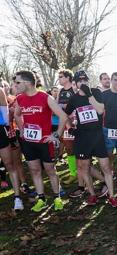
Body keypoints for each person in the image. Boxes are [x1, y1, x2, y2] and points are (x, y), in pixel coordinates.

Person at [13, 70, 69, 212]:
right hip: (29, 142)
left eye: (18, 82)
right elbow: (17, 115)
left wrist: (56, 135)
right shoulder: (20, 98)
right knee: (34, 169)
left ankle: (57, 197)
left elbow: (63, 116)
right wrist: (22, 129)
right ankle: (41, 199)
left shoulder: (45, 97)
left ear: (27, 82)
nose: (15, 85)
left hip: (45, 141)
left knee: (50, 169)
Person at [65, 70, 117, 207]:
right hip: (82, 137)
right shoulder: (74, 98)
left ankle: (112, 196)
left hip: (97, 135)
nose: (83, 83)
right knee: (84, 167)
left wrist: (89, 94)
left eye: (85, 80)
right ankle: (92, 195)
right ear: (75, 83)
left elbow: (100, 110)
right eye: (80, 81)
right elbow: (64, 114)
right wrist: (69, 127)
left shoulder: (95, 92)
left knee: (105, 167)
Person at [0, 82, 23, 210]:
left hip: (0, 130)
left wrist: (10, 133)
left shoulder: (0, 91)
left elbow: (5, 116)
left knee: (9, 164)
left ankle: (17, 197)